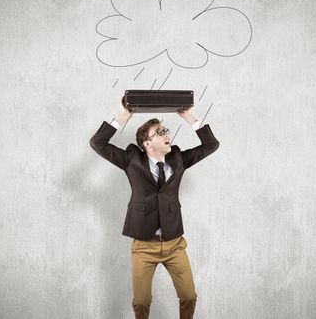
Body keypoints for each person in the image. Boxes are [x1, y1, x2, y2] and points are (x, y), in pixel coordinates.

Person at [89, 98, 219, 319]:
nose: (167, 134)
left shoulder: (178, 158)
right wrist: (123, 116)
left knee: (188, 296)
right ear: (147, 143)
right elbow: (97, 143)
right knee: (141, 303)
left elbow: (211, 145)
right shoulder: (131, 159)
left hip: (174, 244)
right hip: (143, 246)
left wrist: (188, 116)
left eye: (165, 130)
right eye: (160, 132)